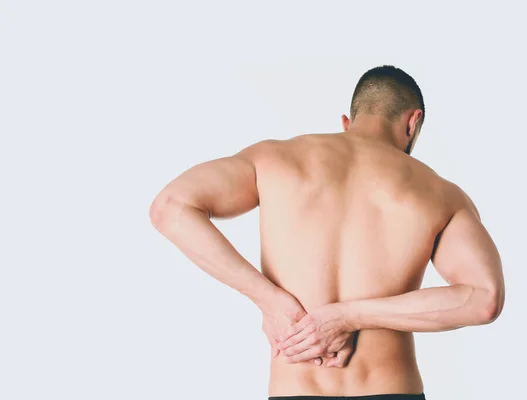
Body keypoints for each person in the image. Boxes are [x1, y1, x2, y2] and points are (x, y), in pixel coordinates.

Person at [149, 65, 505, 400]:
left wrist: (269, 301)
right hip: (391, 388)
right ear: (413, 122)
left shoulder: (275, 159)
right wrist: (351, 316)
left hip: (295, 388)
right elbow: (483, 298)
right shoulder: (439, 192)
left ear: (348, 121)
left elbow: (170, 207)